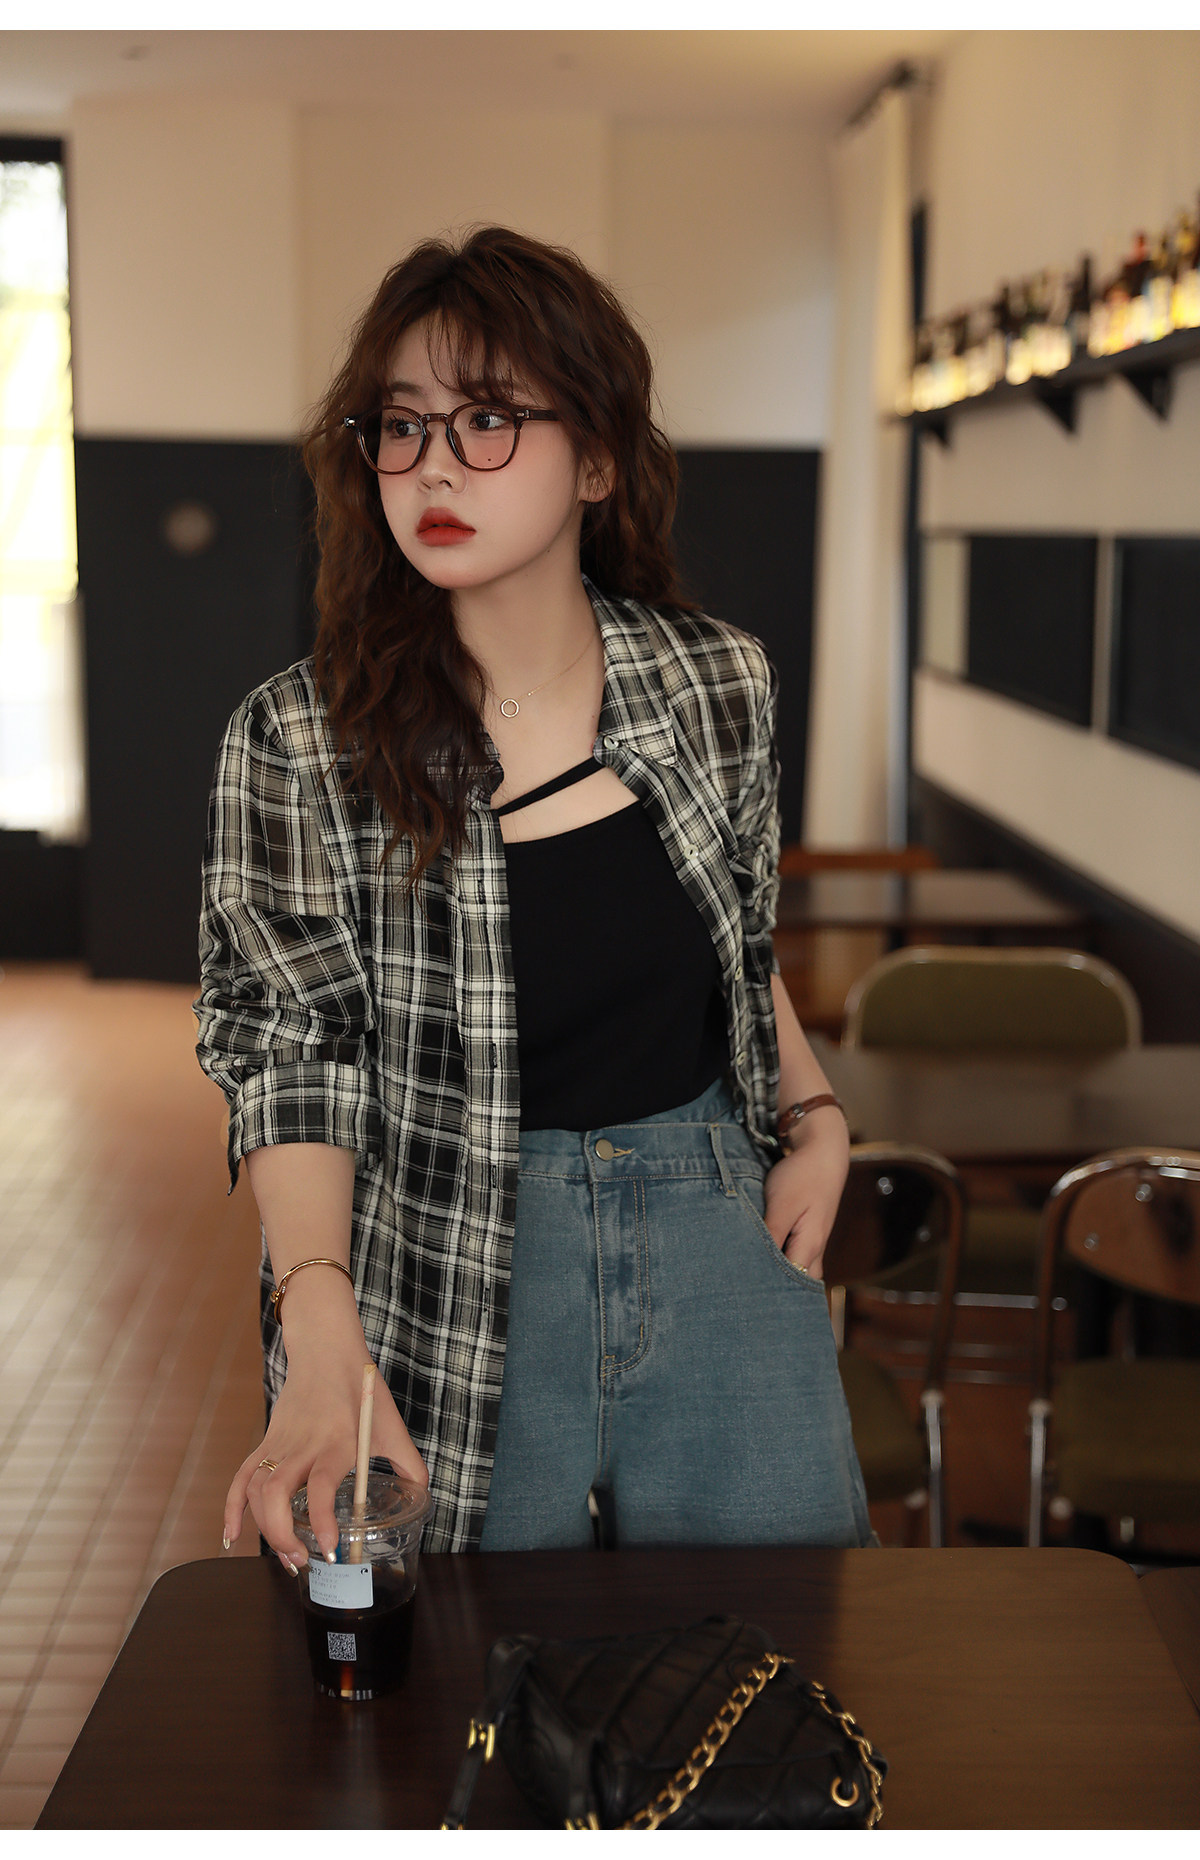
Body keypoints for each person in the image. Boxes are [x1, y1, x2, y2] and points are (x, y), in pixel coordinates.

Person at [196, 226, 871, 1570]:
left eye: (490, 418)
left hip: (708, 1209)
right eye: (401, 425)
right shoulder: (300, 738)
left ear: (599, 458)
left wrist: (817, 1118)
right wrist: (317, 1322)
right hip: (445, 1242)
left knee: (776, 1654)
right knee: (443, 1673)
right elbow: (290, 1055)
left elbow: (735, 937)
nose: (435, 465)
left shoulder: (717, 680)